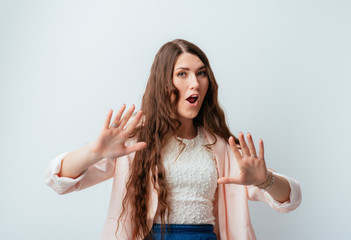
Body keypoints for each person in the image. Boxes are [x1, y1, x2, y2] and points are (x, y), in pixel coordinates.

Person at [44, 39, 302, 240]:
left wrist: (265, 181)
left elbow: (291, 198)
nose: (196, 83)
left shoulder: (221, 146)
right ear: (163, 82)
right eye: (182, 74)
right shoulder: (134, 144)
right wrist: (95, 152)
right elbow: (57, 180)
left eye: (201, 73)